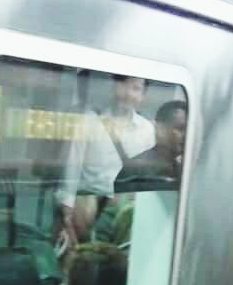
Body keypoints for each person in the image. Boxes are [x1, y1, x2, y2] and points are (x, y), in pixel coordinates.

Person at [56, 75, 155, 249]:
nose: (127, 93)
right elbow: (72, 167)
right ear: (113, 87)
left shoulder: (147, 130)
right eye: (123, 85)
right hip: (90, 207)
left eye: (136, 88)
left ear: (142, 96)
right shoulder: (89, 121)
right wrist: (67, 215)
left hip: (124, 207)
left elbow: (147, 176)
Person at [117, 99, 188, 189]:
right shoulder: (136, 168)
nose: (186, 135)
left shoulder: (179, 168)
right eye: (180, 128)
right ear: (160, 129)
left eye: (188, 130)